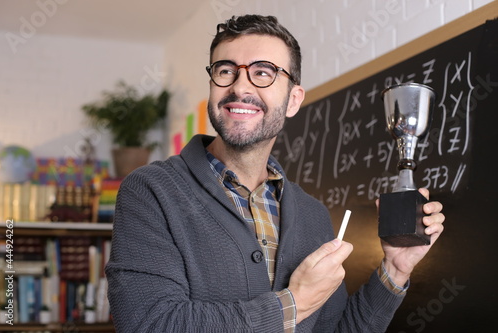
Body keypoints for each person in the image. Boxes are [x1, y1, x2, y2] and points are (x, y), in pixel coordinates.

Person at [105, 15, 445, 332]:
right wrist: (291, 305)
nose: (240, 87)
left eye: (264, 72)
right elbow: (147, 323)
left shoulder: (312, 214)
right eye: (225, 70)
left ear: (294, 100)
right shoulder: (150, 191)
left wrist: (396, 270)